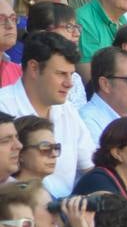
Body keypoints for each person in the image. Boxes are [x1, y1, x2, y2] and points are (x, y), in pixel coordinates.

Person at [0, 32, 92, 196]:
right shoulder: (3, 106)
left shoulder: (68, 110)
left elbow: (90, 166)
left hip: (65, 212)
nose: (69, 83)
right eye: (61, 74)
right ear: (34, 68)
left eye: (71, 74)